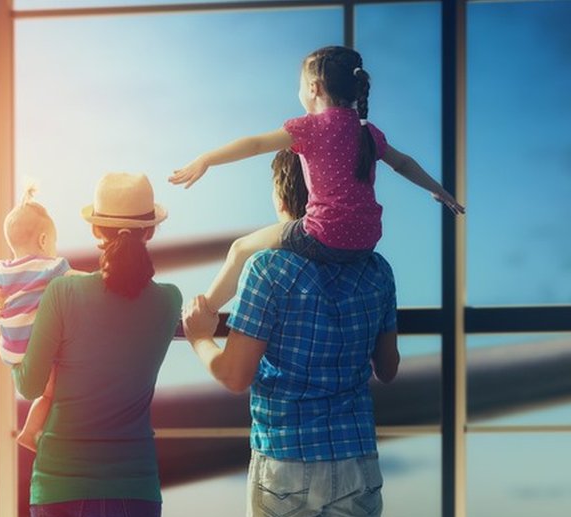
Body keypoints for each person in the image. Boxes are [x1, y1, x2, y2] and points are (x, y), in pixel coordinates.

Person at [182, 148, 401, 517]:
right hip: (355, 455)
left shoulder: (267, 268)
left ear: (281, 199)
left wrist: (199, 338)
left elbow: (234, 375)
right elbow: (387, 368)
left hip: (285, 456)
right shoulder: (377, 270)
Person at [169, 45, 464, 315]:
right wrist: (438, 191)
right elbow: (403, 163)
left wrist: (206, 159)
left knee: (241, 249)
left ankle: (201, 311)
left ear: (313, 88)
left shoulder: (309, 127)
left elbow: (256, 144)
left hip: (324, 235)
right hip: (366, 240)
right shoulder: (368, 132)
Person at [12, 172, 182, 517]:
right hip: (135, 488)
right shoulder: (170, 300)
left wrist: (7, 333)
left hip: (60, 486)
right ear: (150, 232)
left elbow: (28, 384)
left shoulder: (63, 292)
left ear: (95, 230)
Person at [0, 185, 79, 452]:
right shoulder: (50, 267)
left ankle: (32, 431)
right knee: (50, 392)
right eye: (53, 242)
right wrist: (102, 277)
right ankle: (30, 431)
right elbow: (78, 280)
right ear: (44, 240)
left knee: (46, 388)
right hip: (34, 348)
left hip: (10, 349)